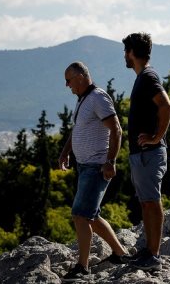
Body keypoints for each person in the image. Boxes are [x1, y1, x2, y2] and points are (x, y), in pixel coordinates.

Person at [57, 62, 131, 281]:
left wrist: (111, 161)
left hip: (97, 166)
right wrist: (65, 152)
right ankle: (120, 253)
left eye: (68, 80)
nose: (66, 85)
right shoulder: (83, 100)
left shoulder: (98, 97)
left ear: (80, 76)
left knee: (80, 214)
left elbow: (116, 129)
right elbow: (77, 130)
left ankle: (83, 266)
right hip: (85, 166)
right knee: (91, 214)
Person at [122, 32, 170, 270]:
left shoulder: (148, 76)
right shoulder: (143, 77)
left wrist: (156, 138)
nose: (124, 55)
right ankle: (149, 250)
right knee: (146, 202)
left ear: (132, 53)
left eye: (126, 51)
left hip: (149, 154)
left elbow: (166, 105)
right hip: (141, 154)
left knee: (152, 202)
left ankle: (154, 254)